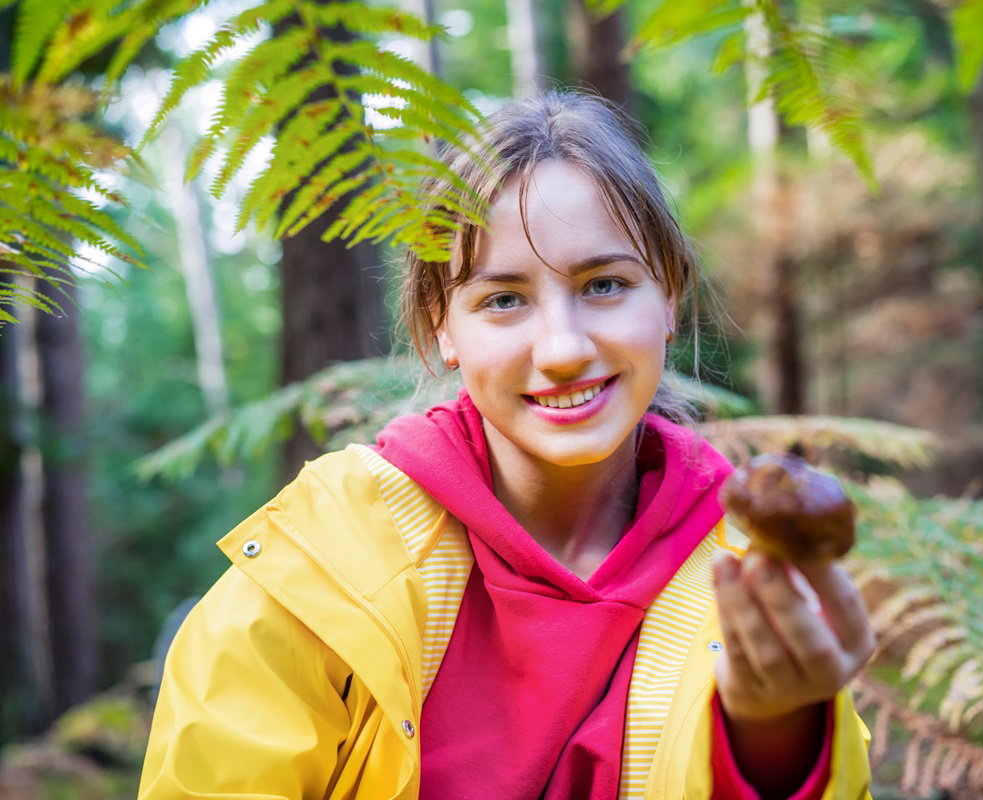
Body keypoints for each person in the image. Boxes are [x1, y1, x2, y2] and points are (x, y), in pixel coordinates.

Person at [138, 91, 875, 800]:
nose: (561, 348)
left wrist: (778, 730)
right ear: (441, 327)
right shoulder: (321, 561)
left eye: (605, 285)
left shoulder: (750, 578)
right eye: (503, 300)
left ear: (670, 297)